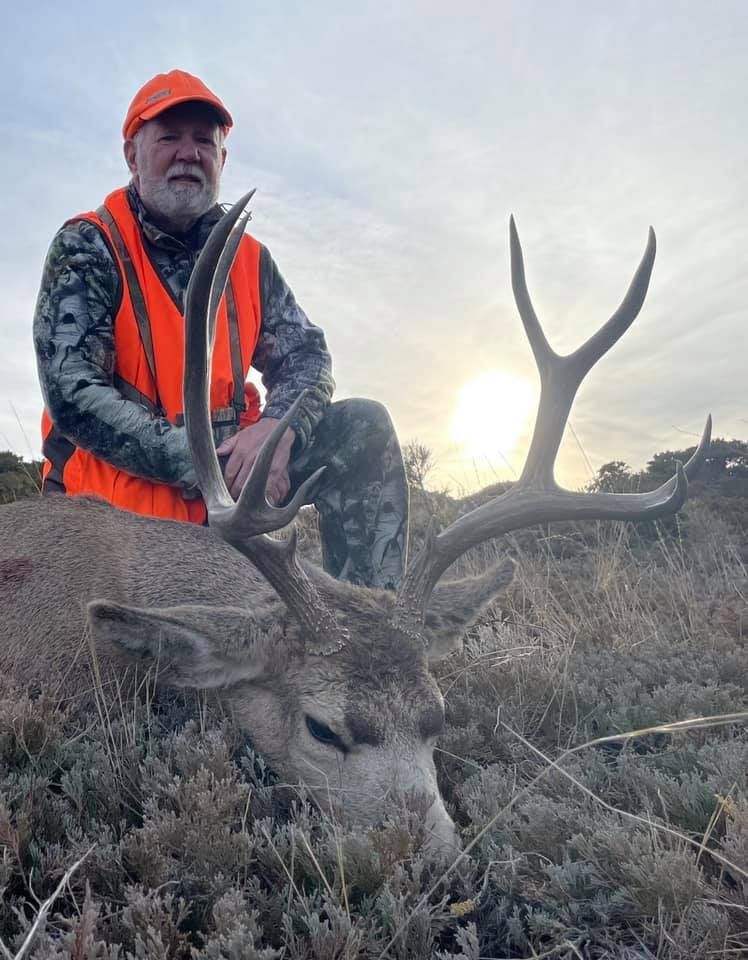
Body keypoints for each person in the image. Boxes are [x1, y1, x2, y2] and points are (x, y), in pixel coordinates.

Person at [34, 69, 408, 590]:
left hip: (234, 482)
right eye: (169, 137)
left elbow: (307, 356)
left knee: (362, 427)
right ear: (131, 155)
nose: (189, 153)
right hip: (120, 513)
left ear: (222, 160)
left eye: (204, 141)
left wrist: (278, 432)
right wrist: (200, 462)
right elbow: (71, 392)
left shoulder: (249, 260)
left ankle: (371, 629)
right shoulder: (88, 247)